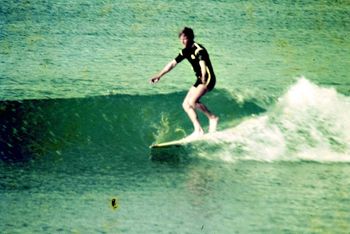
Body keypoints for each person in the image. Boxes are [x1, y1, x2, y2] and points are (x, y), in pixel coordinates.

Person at [150, 27, 219, 139]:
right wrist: (159, 75)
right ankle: (198, 130)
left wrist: (204, 77)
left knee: (193, 101)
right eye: (181, 39)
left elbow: (203, 64)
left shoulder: (198, 49)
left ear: (191, 38)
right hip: (199, 79)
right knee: (186, 104)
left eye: (185, 38)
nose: (183, 41)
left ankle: (212, 118)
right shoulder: (185, 51)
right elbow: (172, 64)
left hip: (208, 78)